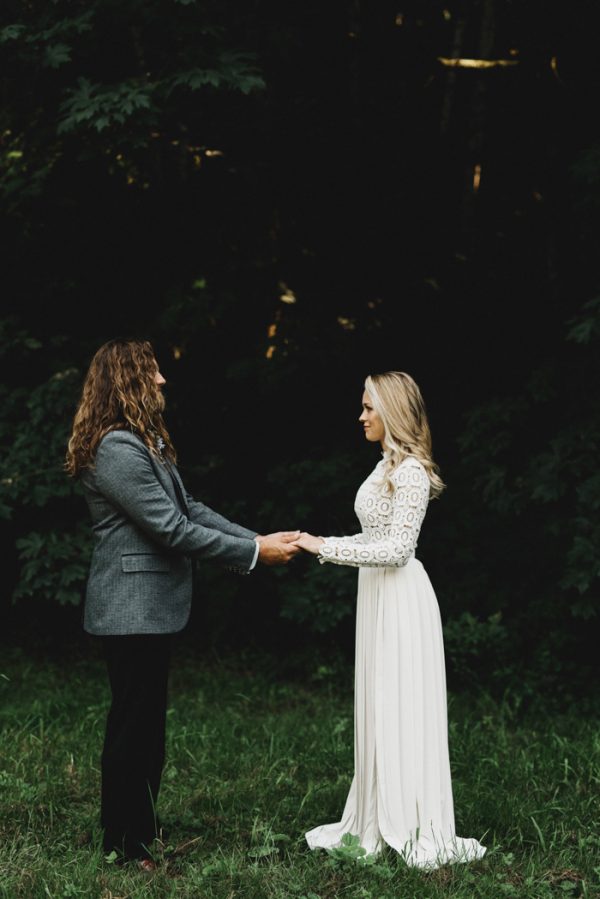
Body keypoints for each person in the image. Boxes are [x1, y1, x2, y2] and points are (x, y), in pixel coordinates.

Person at [65, 338, 299, 869]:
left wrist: (257, 538)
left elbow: (189, 506)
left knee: (147, 728)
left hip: (149, 608)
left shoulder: (145, 442)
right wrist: (254, 553)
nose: (164, 380)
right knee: (133, 727)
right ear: (126, 378)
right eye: (153, 371)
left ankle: (138, 827)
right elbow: (171, 528)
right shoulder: (116, 448)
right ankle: (123, 845)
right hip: (130, 608)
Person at [295, 371, 486, 869]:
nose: (361, 416)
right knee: (378, 704)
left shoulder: (412, 473)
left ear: (392, 412)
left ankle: (413, 818)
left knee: (400, 702)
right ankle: (375, 816)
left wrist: (326, 548)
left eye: (368, 408)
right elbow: (373, 540)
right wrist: (318, 543)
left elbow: (399, 551)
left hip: (400, 599)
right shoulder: (384, 468)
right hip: (375, 593)